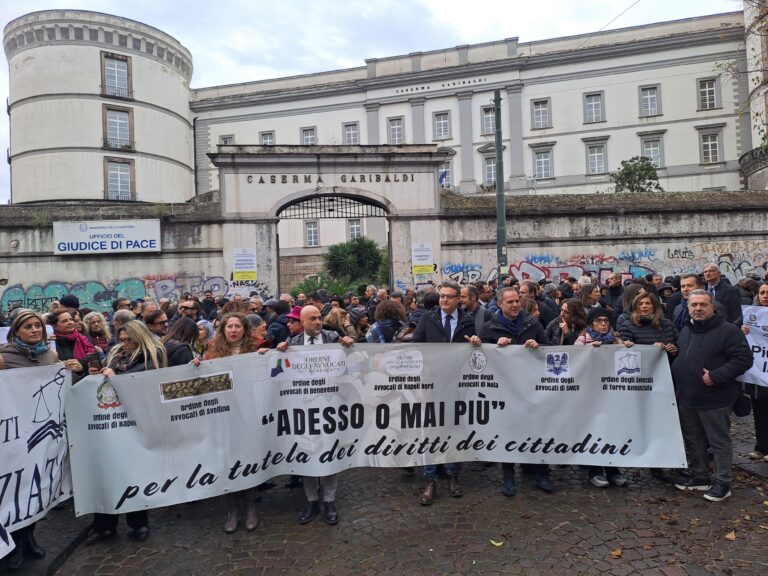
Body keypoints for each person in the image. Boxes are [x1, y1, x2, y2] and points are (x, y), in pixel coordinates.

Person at [86, 320, 167, 544]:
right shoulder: (114, 354)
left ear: (139, 338)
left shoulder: (153, 354)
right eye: (120, 340)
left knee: (135, 473)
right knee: (108, 473)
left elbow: (146, 381)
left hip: (139, 421)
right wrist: (95, 372)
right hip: (112, 420)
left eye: (128, 340)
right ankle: (104, 524)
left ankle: (139, 523)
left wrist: (116, 378)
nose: (123, 345)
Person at [273, 306, 355, 525]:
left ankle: (329, 500)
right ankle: (311, 501)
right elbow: (278, 370)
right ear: (302, 322)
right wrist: (275, 352)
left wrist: (348, 344)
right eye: (313, 319)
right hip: (303, 408)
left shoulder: (332, 337)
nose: (318, 322)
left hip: (329, 407)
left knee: (329, 452)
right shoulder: (293, 344)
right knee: (307, 452)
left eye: (319, 318)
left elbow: (349, 364)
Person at [672, 290, 752, 502]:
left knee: (718, 441)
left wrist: (716, 376)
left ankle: (723, 482)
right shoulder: (687, 329)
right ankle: (700, 476)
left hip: (715, 397)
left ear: (712, 307)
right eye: (694, 305)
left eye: (703, 305)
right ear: (688, 307)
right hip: (688, 396)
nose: (698, 308)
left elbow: (743, 360)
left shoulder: (729, 331)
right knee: (694, 438)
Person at [412, 281, 482, 505]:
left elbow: (471, 353)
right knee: (431, 432)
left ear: (457, 299)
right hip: (433, 385)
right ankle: (430, 479)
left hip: (457, 386)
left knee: (455, 432)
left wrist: (476, 344)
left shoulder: (467, 320)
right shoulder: (428, 319)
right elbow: (417, 347)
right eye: (441, 296)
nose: (443, 300)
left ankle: (453, 475)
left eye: (448, 297)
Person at [480, 286, 553, 495]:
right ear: (500, 304)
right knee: (507, 431)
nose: (514, 305)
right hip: (504, 389)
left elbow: (548, 347)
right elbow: (481, 358)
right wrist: (494, 346)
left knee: (536, 429)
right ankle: (508, 475)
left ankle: (540, 471)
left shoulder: (532, 322)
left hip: (531, 387)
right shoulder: (489, 328)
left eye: (517, 301)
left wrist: (537, 345)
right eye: (510, 302)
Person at [0, 310, 58, 571]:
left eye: (38, 326)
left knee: (35, 486)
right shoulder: (4, 357)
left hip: (40, 433)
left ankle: (29, 537)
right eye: (28, 326)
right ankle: (11, 544)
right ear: (16, 331)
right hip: (12, 435)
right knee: (12, 491)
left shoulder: (50, 354)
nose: (35, 330)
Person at [202, 312, 261, 532]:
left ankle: (251, 506)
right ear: (223, 330)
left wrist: (266, 358)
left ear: (245, 329)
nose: (234, 330)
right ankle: (232, 509)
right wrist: (196, 365)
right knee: (228, 460)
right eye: (229, 327)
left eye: (238, 326)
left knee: (249, 458)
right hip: (224, 415)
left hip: (248, 413)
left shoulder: (255, 351)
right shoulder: (213, 353)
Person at [618, 292, 679, 481]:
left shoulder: (667, 325)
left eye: (648, 303)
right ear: (636, 306)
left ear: (655, 306)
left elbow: (678, 345)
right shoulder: (628, 325)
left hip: (664, 381)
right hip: (639, 383)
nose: (645, 306)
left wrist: (674, 349)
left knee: (660, 422)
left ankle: (658, 462)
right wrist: (642, 348)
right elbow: (624, 352)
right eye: (641, 304)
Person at [575, 307, 632, 488]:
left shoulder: (616, 340)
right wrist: (588, 351)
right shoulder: (583, 339)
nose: (602, 324)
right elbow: (574, 360)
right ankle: (595, 469)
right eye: (598, 321)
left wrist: (625, 348)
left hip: (611, 394)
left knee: (612, 430)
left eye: (606, 321)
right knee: (593, 430)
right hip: (588, 394)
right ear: (591, 323)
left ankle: (613, 468)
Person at [741, 282, 768, 462]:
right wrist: (740, 330)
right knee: (760, 411)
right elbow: (730, 330)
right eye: (762, 292)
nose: (765, 295)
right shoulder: (751, 313)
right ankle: (761, 447)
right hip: (759, 375)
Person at [48, 308, 95, 380]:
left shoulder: (83, 338)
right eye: (64, 321)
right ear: (55, 326)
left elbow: (93, 357)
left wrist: (81, 365)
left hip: (84, 381)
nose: (70, 322)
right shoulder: (51, 342)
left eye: (71, 319)